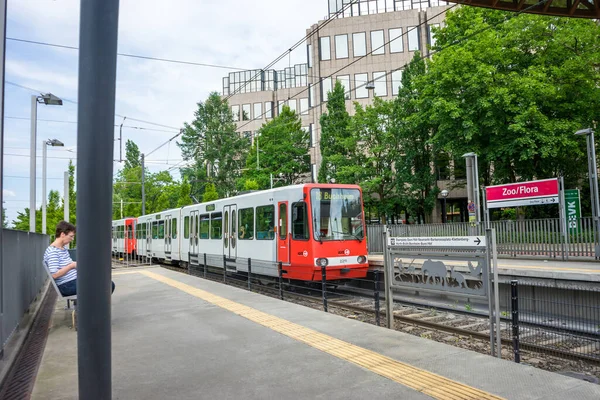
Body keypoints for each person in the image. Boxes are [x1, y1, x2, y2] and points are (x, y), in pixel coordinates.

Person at [44, 221, 115, 296]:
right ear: (62, 234)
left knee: (106, 282)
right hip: (66, 285)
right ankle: (94, 306)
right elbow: (54, 274)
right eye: (71, 236)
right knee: (107, 285)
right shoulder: (53, 251)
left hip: (73, 281)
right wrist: (71, 266)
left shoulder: (62, 248)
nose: (72, 239)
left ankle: (93, 306)